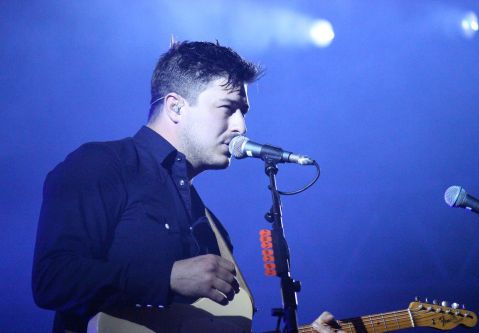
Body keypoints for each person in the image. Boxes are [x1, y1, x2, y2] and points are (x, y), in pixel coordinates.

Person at [32, 41, 342, 333]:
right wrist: (166, 277)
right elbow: (52, 278)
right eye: (228, 108)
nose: (241, 127)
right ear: (176, 107)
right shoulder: (103, 164)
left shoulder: (211, 227)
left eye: (243, 112)